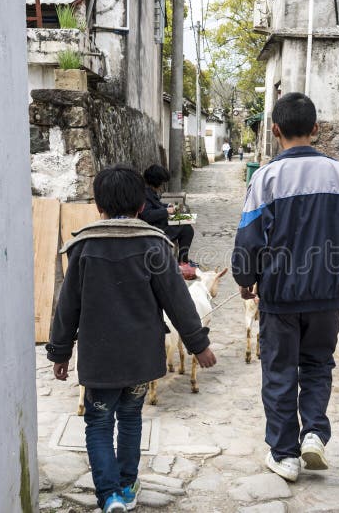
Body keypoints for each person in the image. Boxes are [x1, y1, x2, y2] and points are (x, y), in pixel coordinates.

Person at [46, 165, 217, 513]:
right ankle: (126, 486)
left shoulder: (83, 247)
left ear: (98, 206)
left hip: (99, 360)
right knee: (130, 418)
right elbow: (178, 301)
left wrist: (60, 352)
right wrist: (199, 345)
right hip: (140, 359)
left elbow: (67, 307)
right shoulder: (155, 245)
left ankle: (109, 496)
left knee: (98, 423)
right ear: (142, 206)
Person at [231, 93, 339, 482]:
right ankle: (313, 434)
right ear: (316, 129)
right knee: (317, 365)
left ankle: (285, 455)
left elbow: (249, 238)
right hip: (328, 295)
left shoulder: (266, 178)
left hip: (280, 297)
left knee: (279, 372)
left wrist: (245, 279)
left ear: (275, 130)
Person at [139, 164, 197, 280]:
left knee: (186, 224)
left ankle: (183, 261)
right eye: (161, 183)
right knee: (187, 229)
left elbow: (156, 205)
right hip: (155, 228)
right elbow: (147, 215)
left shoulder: (150, 192)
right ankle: (183, 262)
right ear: (157, 181)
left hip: (160, 224)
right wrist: (166, 211)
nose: (162, 186)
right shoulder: (145, 194)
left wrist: (167, 206)